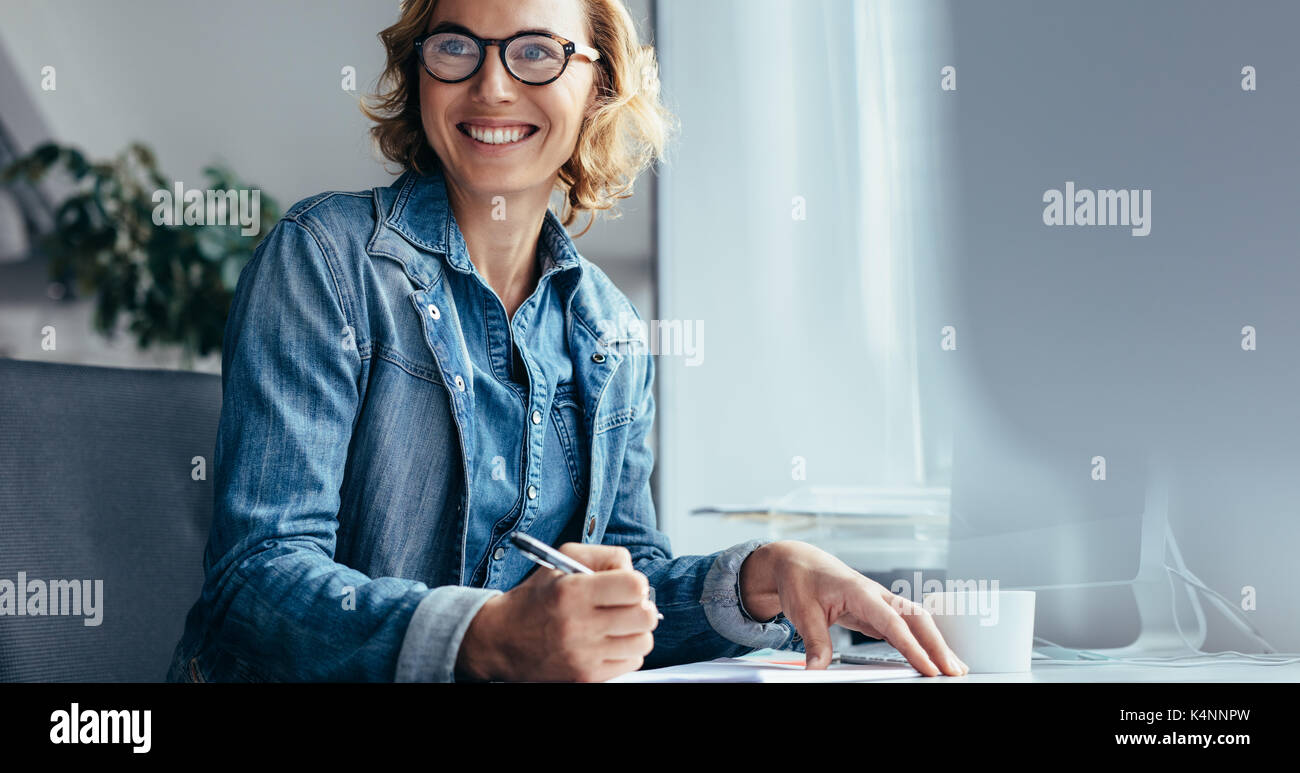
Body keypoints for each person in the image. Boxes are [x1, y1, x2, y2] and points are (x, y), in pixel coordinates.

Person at [166, 0, 968, 683]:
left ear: (600, 85)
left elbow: (629, 595)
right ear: (420, 71)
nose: (491, 85)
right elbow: (256, 581)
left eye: (536, 52)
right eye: (455, 46)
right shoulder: (324, 259)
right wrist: (487, 635)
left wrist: (762, 575)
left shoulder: (611, 329)